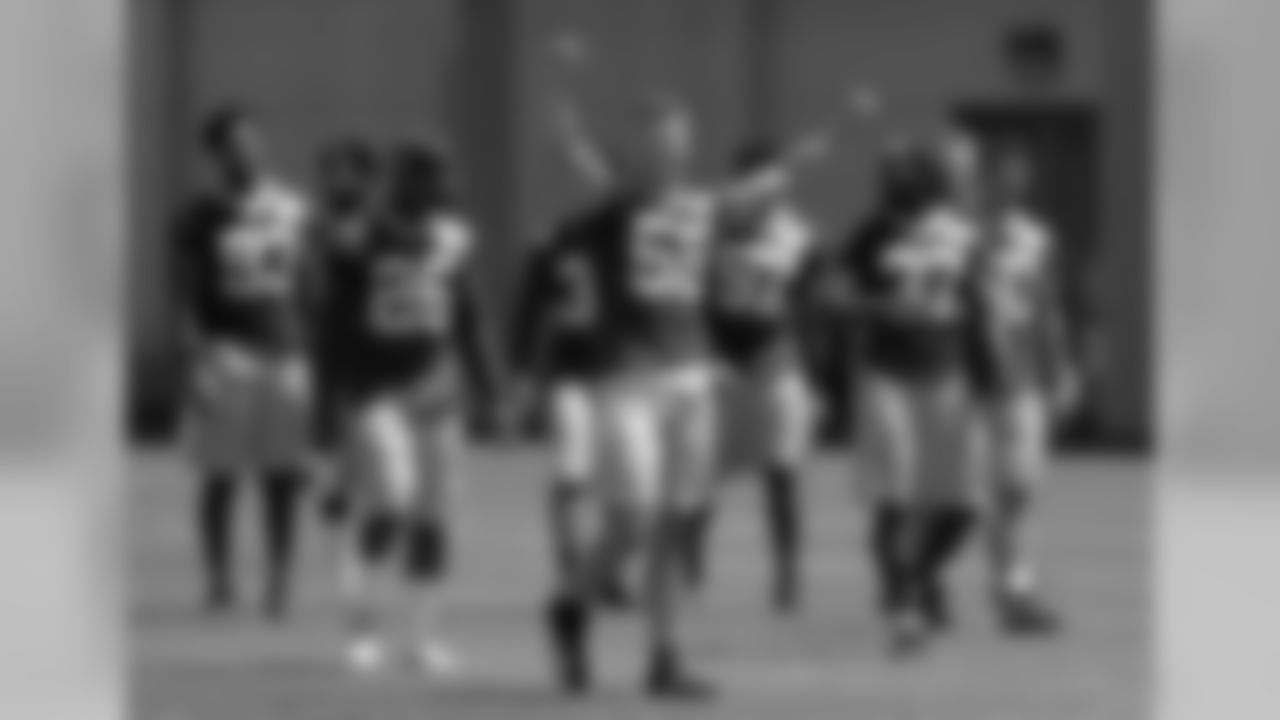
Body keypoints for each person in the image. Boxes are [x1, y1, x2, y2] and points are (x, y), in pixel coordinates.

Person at [337, 139, 498, 677]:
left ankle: (422, 637)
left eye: (445, 175)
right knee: (393, 495)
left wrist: (490, 388)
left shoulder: (453, 236)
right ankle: (361, 626)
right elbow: (335, 320)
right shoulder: (365, 234)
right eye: (433, 175)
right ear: (407, 179)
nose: (445, 186)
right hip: (376, 385)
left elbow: (469, 317)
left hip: (436, 388)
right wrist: (333, 397)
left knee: (433, 517)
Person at [839, 133, 986, 654]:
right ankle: (903, 609)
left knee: (965, 503)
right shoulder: (872, 233)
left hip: (946, 372)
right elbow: (836, 293)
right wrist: (876, 305)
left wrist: (989, 378)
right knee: (894, 496)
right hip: (889, 372)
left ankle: (918, 577)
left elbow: (976, 308)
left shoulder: (961, 234)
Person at [173, 105, 312, 619]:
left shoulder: (293, 208)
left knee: (284, 474)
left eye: (252, 140)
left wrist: (315, 350)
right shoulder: (199, 216)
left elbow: (311, 286)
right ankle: (219, 579)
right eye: (233, 145)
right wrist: (193, 364)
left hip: (285, 351)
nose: (246, 152)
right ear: (216, 156)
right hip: (226, 351)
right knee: (220, 474)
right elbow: (185, 296)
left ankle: (280, 579)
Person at [693, 139, 823, 613]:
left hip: (774, 355)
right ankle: (689, 562)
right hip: (720, 359)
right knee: (701, 472)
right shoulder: (710, 224)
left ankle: (787, 573)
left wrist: (816, 372)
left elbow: (808, 302)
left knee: (782, 469)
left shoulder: (795, 234)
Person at [968, 144, 1077, 635]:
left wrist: (1062, 368)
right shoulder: (963, 237)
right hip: (975, 381)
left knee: (1022, 487)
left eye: (1016, 177)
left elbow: (1048, 309)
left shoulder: (1037, 239)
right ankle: (1014, 590)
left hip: (1024, 377)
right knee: (988, 491)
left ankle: (1011, 587)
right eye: (999, 177)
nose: (1008, 186)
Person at [305, 137, 381, 608]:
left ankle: (361, 564)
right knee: (336, 475)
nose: (335, 180)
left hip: (378, 368)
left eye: (344, 170)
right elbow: (318, 278)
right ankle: (345, 570)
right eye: (329, 171)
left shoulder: (383, 227)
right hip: (334, 365)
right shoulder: (319, 226)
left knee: (379, 478)